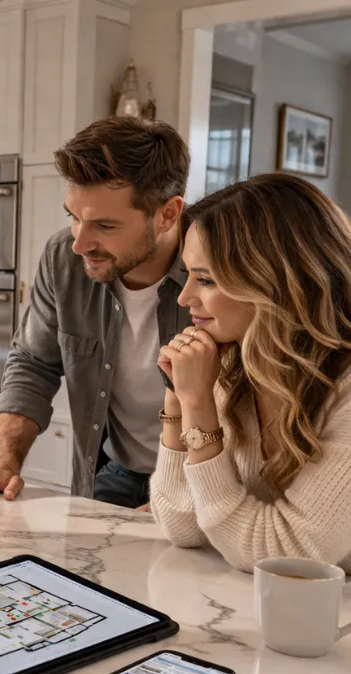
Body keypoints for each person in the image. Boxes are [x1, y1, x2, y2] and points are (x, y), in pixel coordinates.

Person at [0, 116, 193, 507]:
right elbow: (33, 363)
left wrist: (180, 507)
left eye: (105, 225)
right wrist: (5, 460)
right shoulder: (63, 258)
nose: (80, 244)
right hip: (115, 471)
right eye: (73, 217)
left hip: (202, 482)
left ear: (168, 214)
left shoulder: (222, 269)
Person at [150, 173, 351, 573]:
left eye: (205, 279)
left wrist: (199, 405)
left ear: (275, 281)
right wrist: (179, 399)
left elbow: (286, 555)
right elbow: (182, 525)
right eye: (188, 275)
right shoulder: (232, 362)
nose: (185, 296)